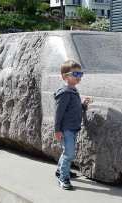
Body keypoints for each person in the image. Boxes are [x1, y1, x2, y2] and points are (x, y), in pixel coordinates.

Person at [54, 60, 91, 190]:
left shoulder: (73, 90)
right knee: (69, 154)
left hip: (72, 128)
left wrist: (82, 104)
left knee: (67, 152)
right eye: (75, 73)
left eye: (80, 74)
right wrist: (57, 130)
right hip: (65, 129)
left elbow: (71, 109)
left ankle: (61, 170)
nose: (78, 76)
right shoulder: (64, 93)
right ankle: (63, 178)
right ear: (65, 76)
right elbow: (58, 113)